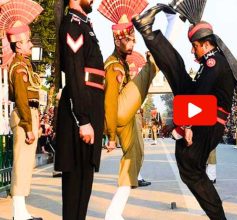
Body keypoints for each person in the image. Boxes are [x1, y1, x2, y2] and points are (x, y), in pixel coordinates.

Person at [132, 4, 237, 219]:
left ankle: (218, 217)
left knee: (190, 168)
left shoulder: (213, 62)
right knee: (178, 72)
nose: (193, 51)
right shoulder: (212, 61)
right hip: (206, 118)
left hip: (208, 123)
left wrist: (188, 126)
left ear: (206, 44)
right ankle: (148, 31)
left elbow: (201, 95)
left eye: (195, 46)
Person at [98, 0, 157, 218]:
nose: (132, 44)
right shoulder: (113, 65)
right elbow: (110, 101)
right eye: (128, 40)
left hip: (125, 115)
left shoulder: (122, 62)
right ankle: (158, 52)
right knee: (151, 66)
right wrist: (111, 136)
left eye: (133, 39)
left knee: (135, 155)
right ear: (116, 40)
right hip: (118, 113)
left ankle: (114, 212)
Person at [54, 0, 105, 219]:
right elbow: (75, 72)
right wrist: (83, 119)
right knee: (76, 187)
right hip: (79, 114)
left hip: (89, 108)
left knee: (84, 184)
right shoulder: (73, 24)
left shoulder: (84, 24)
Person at [1, 0, 43, 219]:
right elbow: (22, 99)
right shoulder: (18, 68)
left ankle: (22, 211)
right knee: (21, 164)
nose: (30, 45)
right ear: (18, 44)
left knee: (26, 165)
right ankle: (18, 213)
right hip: (25, 116)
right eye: (27, 42)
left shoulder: (25, 65)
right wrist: (28, 126)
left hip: (30, 116)